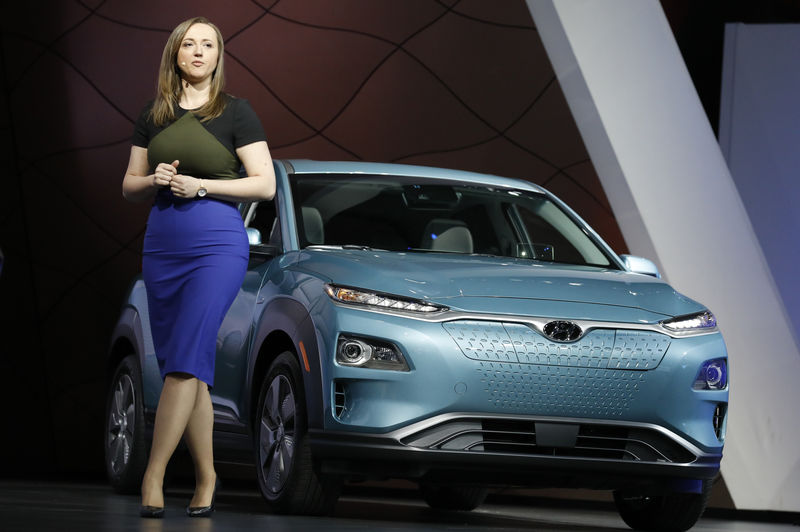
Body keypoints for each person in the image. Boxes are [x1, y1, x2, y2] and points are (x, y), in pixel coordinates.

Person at [122, 16, 276, 518]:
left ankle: (154, 475)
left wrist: (203, 186)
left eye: (208, 44)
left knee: (186, 359)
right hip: (164, 244)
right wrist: (155, 179)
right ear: (175, 53)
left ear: (218, 56)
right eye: (189, 44)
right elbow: (129, 183)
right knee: (186, 369)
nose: (198, 51)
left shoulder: (237, 112)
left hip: (217, 244)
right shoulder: (155, 113)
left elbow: (264, 185)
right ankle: (209, 478)